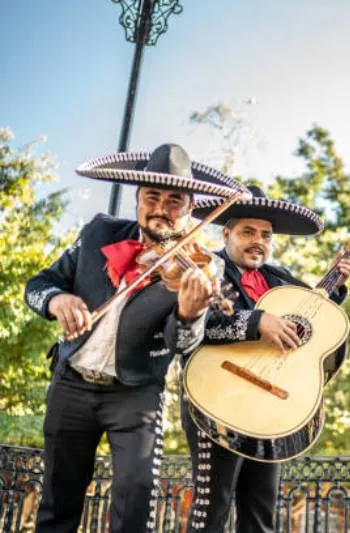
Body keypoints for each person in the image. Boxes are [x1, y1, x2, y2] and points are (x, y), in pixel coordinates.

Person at [24, 143, 243, 532]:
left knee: (136, 493)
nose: (161, 208)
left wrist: (189, 314)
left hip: (137, 391)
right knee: (59, 496)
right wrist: (58, 299)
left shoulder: (205, 266)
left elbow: (183, 343)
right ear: (137, 200)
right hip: (71, 383)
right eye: (152, 197)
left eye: (174, 201)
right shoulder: (98, 233)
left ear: (190, 208)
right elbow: (39, 284)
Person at [181, 185, 350, 532]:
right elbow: (197, 325)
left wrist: (334, 286)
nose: (258, 240)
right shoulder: (205, 268)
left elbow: (313, 327)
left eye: (265, 234)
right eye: (248, 231)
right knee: (212, 507)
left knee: (261, 512)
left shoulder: (282, 279)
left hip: (269, 407)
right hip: (215, 396)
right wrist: (257, 321)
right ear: (226, 232)